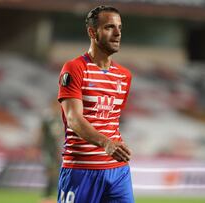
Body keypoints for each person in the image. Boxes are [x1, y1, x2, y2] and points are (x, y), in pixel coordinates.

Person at [57, 5, 133, 203]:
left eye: (120, 28)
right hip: (81, 170)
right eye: (109, 27)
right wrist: (106, 143)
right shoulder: (74, 68)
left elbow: (111, 121)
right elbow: (73, 119)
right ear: (92, 32)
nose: (117, 33)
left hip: (118, 171)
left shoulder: (124, 76)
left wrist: (113, 146)